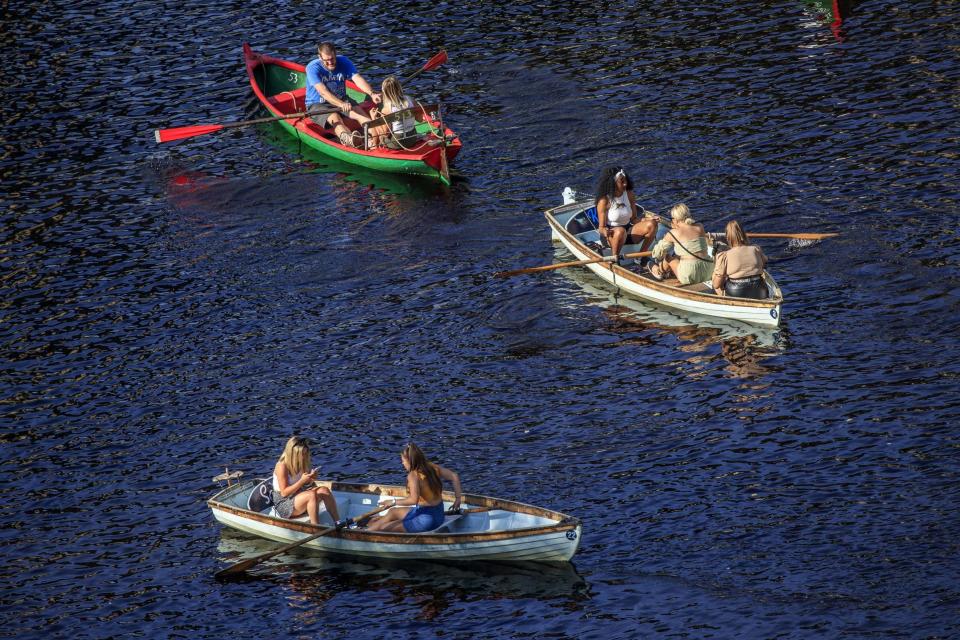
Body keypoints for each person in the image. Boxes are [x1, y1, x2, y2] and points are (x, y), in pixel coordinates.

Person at [365, 443, 462, 533]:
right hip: (439, 514)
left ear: (410, 461)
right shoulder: (431, 467)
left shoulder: (413, 476)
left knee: (383, 528)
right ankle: (368, 530)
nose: (403, 464)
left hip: (426, 520)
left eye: (403, 461)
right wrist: (458, 498)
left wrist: (392, 502)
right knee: (392, 512)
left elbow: (413, 500)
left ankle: (363, 534)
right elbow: (454, 476)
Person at [305, 42, 381, 148]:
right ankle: (349, 139)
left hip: (342, 99)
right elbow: (323, 92)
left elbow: (357, 79)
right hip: (319, 104)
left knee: (361, 114)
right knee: (336, 118)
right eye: (326, 60)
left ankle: (378, 138)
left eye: (332, 59)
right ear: (320, 57)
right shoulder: (313, 68)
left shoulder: (344, 61)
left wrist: (372, 93)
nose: (330, 63)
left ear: (336, 54)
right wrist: (341, 104)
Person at [595, 167, 658, 264]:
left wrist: (649, 219)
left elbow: (634, 220)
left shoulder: (629, 194)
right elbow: (601, 228)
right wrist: (605, 231)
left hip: (627, 231)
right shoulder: (604, 200)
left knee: (652, 224)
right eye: (622, 181)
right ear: (613, 183)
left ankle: (640, 257)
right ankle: (614, 259)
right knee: (620, 231)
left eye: (626, 180)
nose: (625, 184)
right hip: (611, 234)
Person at [272, 436, 340, 525]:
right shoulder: (282, 466)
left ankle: (338, 523)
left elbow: (306, 484)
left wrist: (311, 479)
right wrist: (302, 481)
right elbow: (284, 493)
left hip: (299, 495)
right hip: (284, 503)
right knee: (311, 495)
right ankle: (316, 527)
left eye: (306, 453)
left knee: (325, 490)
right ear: (293, 454)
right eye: (302, 454)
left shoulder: (301, 462)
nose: (304, 457)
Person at [648, 203, 714, 284]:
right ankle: (668, 271)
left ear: (676, 219)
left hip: (689, 275)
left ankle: (659, 272)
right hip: (708, 270)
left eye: (672, 218)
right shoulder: (700, 226)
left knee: (668, 257)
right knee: (680, 255)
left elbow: (657, 254)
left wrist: (668, 236)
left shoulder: (673, 233)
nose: (671, 220)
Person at [711, 219, 769, 299]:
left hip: (737, 293)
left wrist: (716, 272)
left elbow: (716, 285)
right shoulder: (756, 249)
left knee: (716, 280)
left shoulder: (724, 256)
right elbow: (765, 260)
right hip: (760, 291)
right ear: (743, 234)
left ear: (727, 237)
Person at [366, 75, 419, 150]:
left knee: (374, 123)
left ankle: (373, 146)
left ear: (385, 92)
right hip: (412, 138)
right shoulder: (411, 100)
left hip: (397, 143)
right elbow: (420, 119)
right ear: (399, 87)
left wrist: (374, 118)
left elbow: (385, 133)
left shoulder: (387, 109)